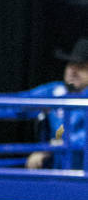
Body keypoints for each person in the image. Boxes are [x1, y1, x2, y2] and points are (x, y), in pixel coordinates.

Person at [21, 38, 88, 170]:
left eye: (81, 67)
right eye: (70, 65)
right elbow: (17, 103)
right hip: (57, 171)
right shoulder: (53, 91)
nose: (73, 71)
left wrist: (49, 149)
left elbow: (82, 138)